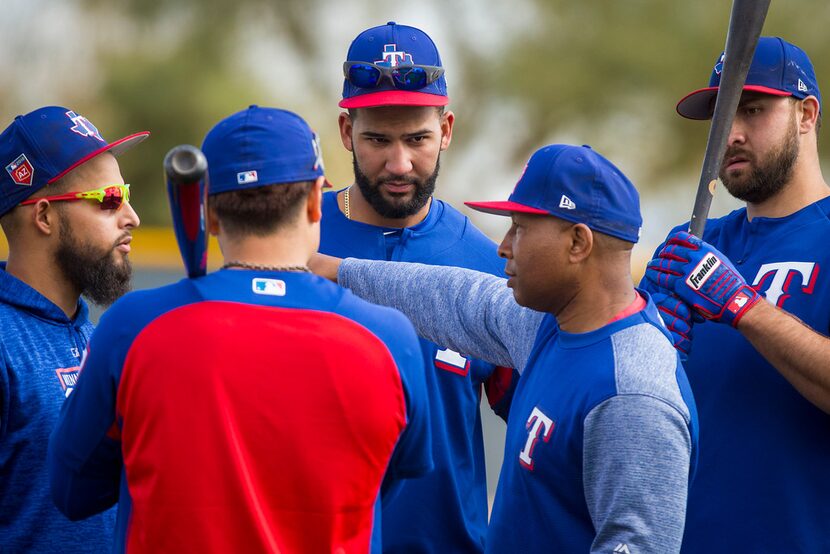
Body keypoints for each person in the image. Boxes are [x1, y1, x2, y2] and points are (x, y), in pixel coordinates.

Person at [48, 105, 432, 553]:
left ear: (207, 214)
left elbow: (73, 491)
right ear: (314, 201)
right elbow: (389, 480)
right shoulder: (388, 337)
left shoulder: (133, 327)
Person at [313, 144, 699, 552]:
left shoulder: (632, 393)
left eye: (521, 227)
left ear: (577, 243)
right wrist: (334, 270)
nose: (503, 246)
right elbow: (455, 297)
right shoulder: (550, 325)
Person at [321, 21, 516, 552]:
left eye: (418, 139)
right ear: (346, 132)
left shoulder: (490, 264)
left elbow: (538, 430)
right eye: (378, 140)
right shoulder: (294, 236)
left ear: (446, 129)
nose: (399, 163)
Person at [642, 37, 830, 552]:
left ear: (806, 114)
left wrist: (743, 308)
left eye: (754, 109)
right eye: (725, 114)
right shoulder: (694, 244)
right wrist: (650, 348)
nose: (733, 133)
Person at [0, 106, 146, 552]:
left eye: (127, 193)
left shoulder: (94, 335)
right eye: (109, 199)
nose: (132, 217)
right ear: (44, 217)